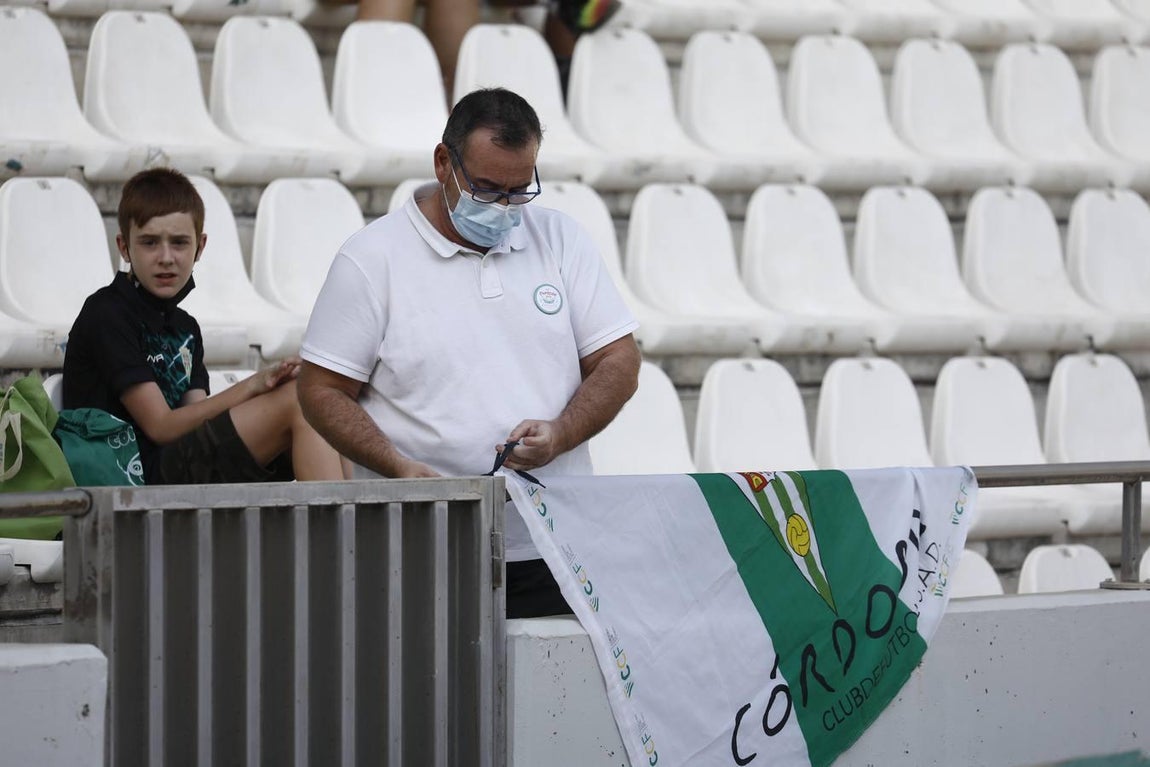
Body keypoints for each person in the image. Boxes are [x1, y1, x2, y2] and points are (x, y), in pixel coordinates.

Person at [297, 87, 641, 618]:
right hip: (416, 544)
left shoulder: (561, 239)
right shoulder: (371, 258)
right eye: (485, 188)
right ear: (443, 163)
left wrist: (562, 433)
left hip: (555, 542)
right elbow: (320, 389)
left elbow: (620, 361)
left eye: (518, 191)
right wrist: (398, 467)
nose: (504, 206)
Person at [62, 168, 344, 485]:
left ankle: (350, 527)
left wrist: (272, 385)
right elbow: (161, 426)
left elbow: (198, 420)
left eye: (180, 243)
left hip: (176, 467)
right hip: (130, 481)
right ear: (124, 247)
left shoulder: (185, 327)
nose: (166, 257)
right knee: (297, 400)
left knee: (319, 395)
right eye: (150, 243)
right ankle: (343, 532)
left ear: (200, 247)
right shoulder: (107, 313)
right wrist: (253, 385)